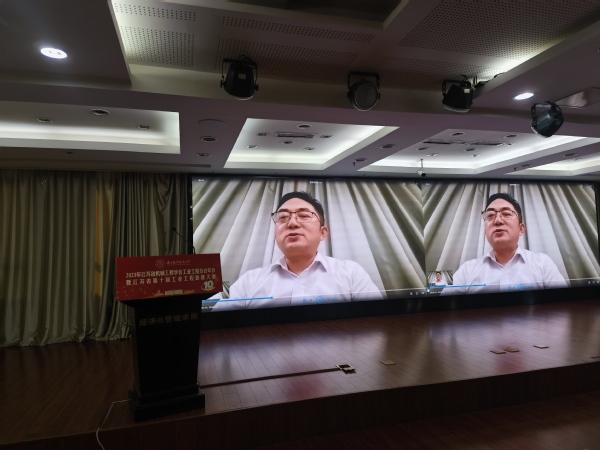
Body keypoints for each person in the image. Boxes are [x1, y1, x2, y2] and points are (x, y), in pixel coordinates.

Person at [212, 191, 384, 310]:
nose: (292, 223)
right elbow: (219, 326)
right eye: (283, 217)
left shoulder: (351, 273)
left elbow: (378, 320)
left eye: (304, 216)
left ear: (323, 232)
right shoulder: (250, 281)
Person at [441, 193, 568, 295]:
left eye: (506, 214)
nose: (497, 220)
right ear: (485, 231)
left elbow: (564, 304)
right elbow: (444, 309)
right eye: (490, 215)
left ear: (521, 229)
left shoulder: (543, 264)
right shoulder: (467, 270)